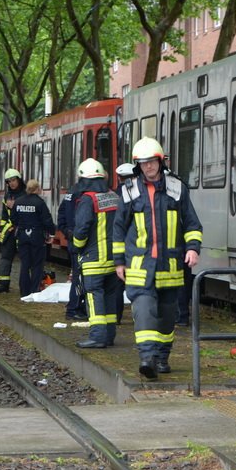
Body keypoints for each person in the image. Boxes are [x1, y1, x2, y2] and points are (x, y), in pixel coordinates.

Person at [113, 137, 203, 379]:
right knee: (144, 310)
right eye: (143, 163)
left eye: (152, 162)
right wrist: (119, 261)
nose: (148, 167)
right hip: (140, 267)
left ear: (160, 162)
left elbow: (192, 224)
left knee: (166, 316)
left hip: (170, 266)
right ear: (138, 166)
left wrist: (193, 248)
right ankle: (147, 358)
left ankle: (162, 357)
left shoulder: (177, 188)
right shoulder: (129, 191)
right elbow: (119, 229)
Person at [72, 159, 121, 349]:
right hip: (113, 259)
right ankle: (109, 335)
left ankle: (97, 336)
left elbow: (81, 229)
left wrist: (77, 246)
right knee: (109, 296)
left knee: (93, 297)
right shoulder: (113, 197)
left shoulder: (87, 199)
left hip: (93, 259)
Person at [11, 178, 56, 297]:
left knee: (25, 264)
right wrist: (51, 234)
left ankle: (24, 291)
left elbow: (13, 218)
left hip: (22, 236)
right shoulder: (40, 203)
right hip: (37, 236)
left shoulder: (19, 201)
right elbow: (47, 220)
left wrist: (21, 225)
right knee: (37, 264)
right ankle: (34, 290)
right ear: (37, 189)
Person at [0, 168, 26, 293]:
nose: (12, 183)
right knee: (6, 257)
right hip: (10, 231)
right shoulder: (7, 196)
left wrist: (15, 205)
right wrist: (1, 230)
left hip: (23, 231)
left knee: (25, 259)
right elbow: (4, 216)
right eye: (9, 181)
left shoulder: (25, 194)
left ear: (18, 180)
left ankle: (25, 286)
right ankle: (3, 284)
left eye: (13, 180)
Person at [56, 184, 87, 321]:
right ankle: (74, 308)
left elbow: (61, 214)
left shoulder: (71, 191)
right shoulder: (83, 194)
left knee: (78, 276)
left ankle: (77, 307)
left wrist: (66, 231)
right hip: (82, 243)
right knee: (79, 278)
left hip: (72, 240)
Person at [113, 163, 136, 325]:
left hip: (119, 246)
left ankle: (116, 317)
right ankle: (139, 316)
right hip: (137, 247)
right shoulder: (139, 193)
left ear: (119, 178)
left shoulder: (113, 194)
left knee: (117, 287)